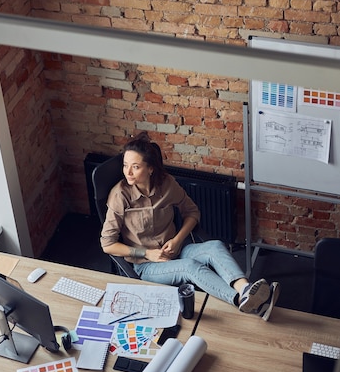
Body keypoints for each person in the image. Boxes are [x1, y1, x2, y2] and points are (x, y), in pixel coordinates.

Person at [100, 131, 280, 320]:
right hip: (147, 265)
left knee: (215, 246)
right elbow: (107, 244)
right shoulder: (120, 196)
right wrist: (145, 253)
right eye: (125, 165)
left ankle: (245, 289)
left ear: (150, 169)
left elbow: (192, 212)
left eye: (135, 167)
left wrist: (177, 241)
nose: (127, 172)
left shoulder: (167, 184)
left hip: (176, 250)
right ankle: (241, 301)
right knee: (190, 267)